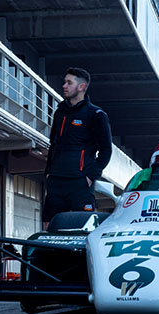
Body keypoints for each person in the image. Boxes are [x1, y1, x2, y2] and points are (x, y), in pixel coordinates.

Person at [43, 67, 112, 229]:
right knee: (49, 227)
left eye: (69, 82)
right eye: (64, 82)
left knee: (84, 227)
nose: (64, 86)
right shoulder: (60, 112)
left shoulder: (96, 114)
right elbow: (53, 145)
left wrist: (90, 176)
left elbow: (106, 150)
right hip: (56, 181)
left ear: (81, 87)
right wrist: (48, 173)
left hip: (80, 183)